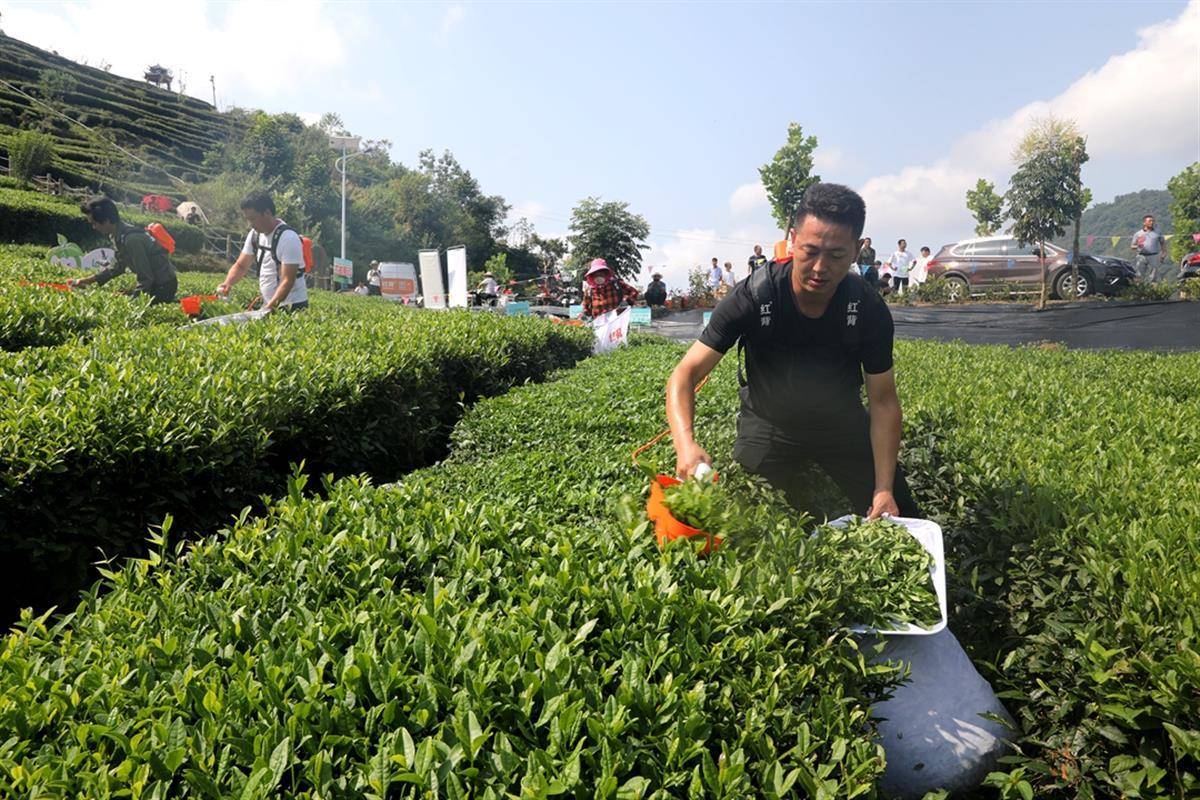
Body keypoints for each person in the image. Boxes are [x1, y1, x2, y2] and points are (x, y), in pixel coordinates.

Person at [666, 182, 919, 519]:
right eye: (810, 251)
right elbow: (685, 375)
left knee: (902, 515)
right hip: (770, 424)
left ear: (857, 250)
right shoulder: (754, 296)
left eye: (836, 255)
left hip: (840, 425)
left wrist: (884, 488)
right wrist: (685, 445)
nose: (819, 267)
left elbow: (884, 400)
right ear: (792, 239)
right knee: (741, 514)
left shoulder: (867, 308)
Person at [68, 196, 178, 304]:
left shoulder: (131, 240)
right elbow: (118, 266)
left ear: (106, 221)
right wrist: (88, 280)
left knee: (118, 300)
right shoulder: (117, 235)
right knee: (119, 295)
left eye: (94, 223)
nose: (94, 227)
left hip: (164, 287)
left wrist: (134, 304)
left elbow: (146, 278)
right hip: (155, 283)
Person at [216, 190, 308, 312]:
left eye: (253, 219)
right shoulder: (255, 235)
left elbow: (287, 281)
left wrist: (267, 309)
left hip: (292, 306)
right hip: (270, 304)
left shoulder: (288, 238)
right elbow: (241, 266)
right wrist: (227, 284)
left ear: (267, 213)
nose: (250, 224)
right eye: (247, 219)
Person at [1131, 215, 1166, 283]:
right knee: (1139, 275)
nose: (1152, 222)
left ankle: (1151, 290)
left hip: (1154, 255)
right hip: (1141, 256)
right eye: (1150, 221)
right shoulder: (1138, 234)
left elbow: (1163, 243)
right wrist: (1138, 246)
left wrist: (1164, 253)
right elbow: (1132, 246)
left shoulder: (1158, 232)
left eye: (1153, 221)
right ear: (1144, 223)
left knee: (1153, 275)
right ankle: (1139, 290)